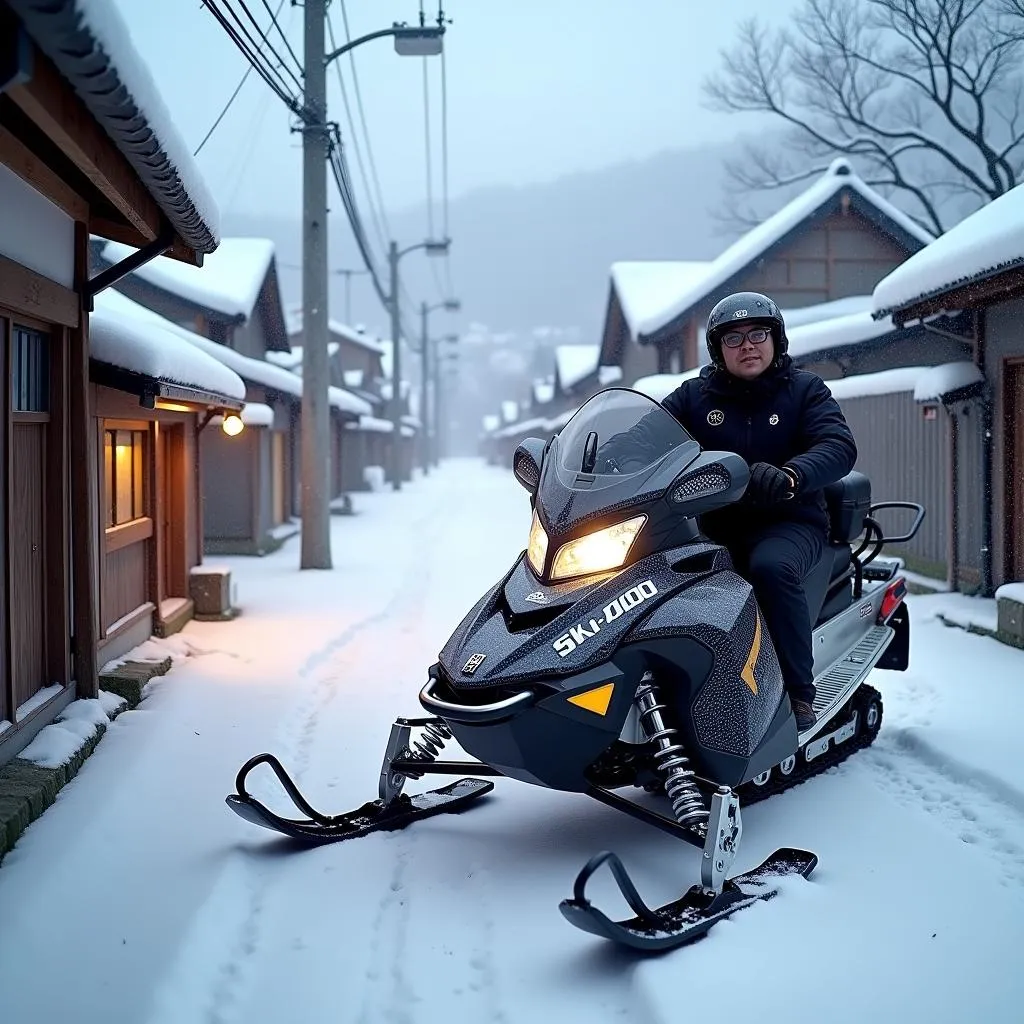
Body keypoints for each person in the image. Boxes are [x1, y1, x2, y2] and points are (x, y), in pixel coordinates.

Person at [661, 291, 858, 731]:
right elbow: (645, 438)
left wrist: (792, 475)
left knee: (769, 568)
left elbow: (838, 446)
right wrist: (591, 461)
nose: (747, 345)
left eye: (758, 334)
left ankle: (796, 692)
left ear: (776, 340)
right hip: (712, 525)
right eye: (733, 338)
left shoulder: (805, 390)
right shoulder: (695, 397)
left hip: (791, 522)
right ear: (718, 350)